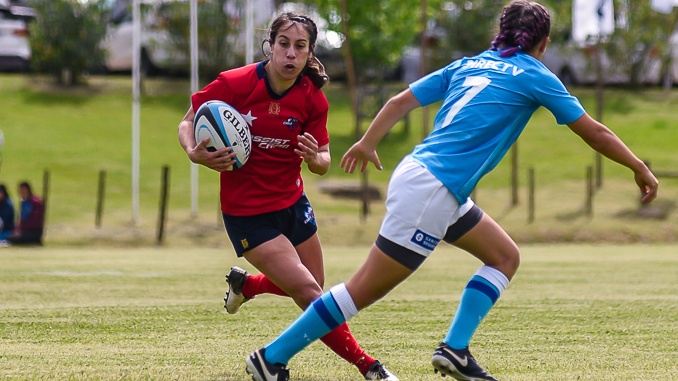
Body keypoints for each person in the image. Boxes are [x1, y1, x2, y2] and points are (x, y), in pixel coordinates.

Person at [243, 1, 660, 381]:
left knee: (504, 256)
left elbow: (398, 102)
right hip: (433, 191)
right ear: (544, 43)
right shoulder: (535, 74)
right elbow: (596, 133)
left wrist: (369, 142)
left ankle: (455, 350)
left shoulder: (470, 64)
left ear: (499, 33)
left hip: (423, 178)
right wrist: (639, 166)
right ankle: (271, 357)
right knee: (359, 291)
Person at [177, 11, 398, 381]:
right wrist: (192, 151)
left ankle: (247, 285)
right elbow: (188, 121)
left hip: (294, 206)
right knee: (313, 294)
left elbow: (324, 162)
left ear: (310, 52)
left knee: (313, 287)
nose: (290, 54)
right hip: (248, 214)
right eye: (283, 44)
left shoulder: (312, 99)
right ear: (271, 46)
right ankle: (368, 366)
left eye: (300, 47)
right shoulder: (236, 83)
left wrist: (316, 158)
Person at [7, 181, 45, 246]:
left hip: (34, 230)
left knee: (14, 239)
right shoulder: (23, 202)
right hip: (25, 230)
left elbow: (36, 220)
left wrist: (23, 229)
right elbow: (22, 218)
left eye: (24, 189)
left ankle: (33, 241)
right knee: (10, 238)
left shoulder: (36, 202)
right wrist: (18, 229)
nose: (22, 191)